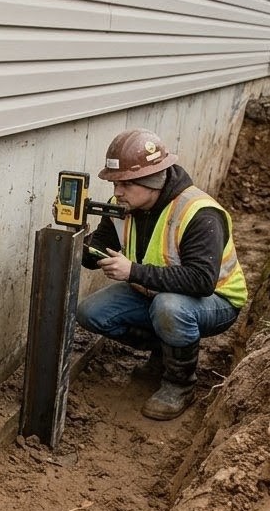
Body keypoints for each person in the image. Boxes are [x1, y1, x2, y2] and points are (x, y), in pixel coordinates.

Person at [75, 128, 247, 421]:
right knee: (91, 313)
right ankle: (166, 352)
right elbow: (97, 252)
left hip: (214, 301)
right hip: (152, 292)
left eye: (125, 185)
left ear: (153, 180)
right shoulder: (124, 206)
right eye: (115, 184)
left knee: (170, 308)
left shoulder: (199, 213)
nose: (117, 192)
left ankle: (179, 384)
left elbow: (201, 282)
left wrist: (133, 271)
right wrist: (76, 237)